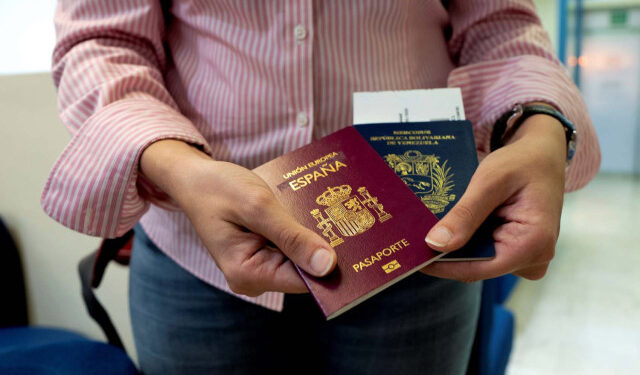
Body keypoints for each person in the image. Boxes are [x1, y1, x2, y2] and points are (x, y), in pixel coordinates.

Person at [43, 1, 600, 374]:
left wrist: (541, 125)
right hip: (197, 257)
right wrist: (175, 167)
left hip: (416, 249)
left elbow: (500, 24)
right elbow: (101, 39)